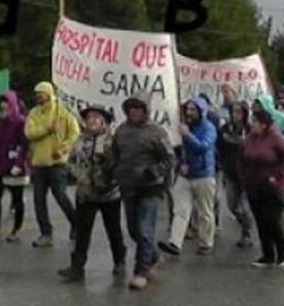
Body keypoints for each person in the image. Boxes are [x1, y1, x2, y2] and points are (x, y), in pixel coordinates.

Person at [112, 92, 173, 291]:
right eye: (132, 108)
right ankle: (153, 256)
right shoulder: (121, 131)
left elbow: (169, 159)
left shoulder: (157, 132)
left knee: (145, 230)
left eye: (139, 108)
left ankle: (141, 271)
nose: (135, 112)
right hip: (128, 187)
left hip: (150, 187)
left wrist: (155, 170)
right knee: (134, 231)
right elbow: (115, 155)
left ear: (146, 110)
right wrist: (112, 171)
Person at [60, 105, 127, 283]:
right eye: (89, 117)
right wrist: (79, 175)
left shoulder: (112, 140)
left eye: (96, 117)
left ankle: (119, 261)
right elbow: (71, 162)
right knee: (82, 232)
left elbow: (120, 164)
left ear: (104, 121)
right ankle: (77, 267)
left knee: (113, 230)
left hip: (109, 194)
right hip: (86, 194)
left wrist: (110, 170)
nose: (92, 120)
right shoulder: (80, 141)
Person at [159, 96, 217, 256]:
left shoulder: (209, 128)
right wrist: (181, 163)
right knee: (180, 209)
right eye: (188, 109)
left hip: (204, 175)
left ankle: (206, 242)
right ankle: (175, 242)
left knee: (205, 211)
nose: (189, 113)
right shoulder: (184, 126)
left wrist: (187, 135)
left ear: (201, 111)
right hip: (185, 175)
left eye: (193, 110)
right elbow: (178, 149)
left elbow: (203, 147)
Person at [25, 81, 80, 248]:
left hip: (57, 163)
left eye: (41, 93)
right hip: (39, 163)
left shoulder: (62, 111)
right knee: (38, 200)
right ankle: (46, 233)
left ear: (48, 93)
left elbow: (74, 133)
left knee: (60, 196)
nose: (38, 96)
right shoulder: (34, 113)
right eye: (36, 94)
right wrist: (48, 128)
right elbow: (29, 133)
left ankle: (76, 224)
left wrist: (63, 149)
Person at [241, 110, 284, 268]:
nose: (252, 125)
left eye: (255, 122)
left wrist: (276, 176)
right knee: (261, 221)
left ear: (264, 124)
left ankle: (282, 250)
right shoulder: (249, 139)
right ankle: (268, 255)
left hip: (274, 187)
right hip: (254, 185)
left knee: (272, 220)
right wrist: (243, 175)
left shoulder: (277, 138)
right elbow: (242, 157)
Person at [0, 91, 29, 244]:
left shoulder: (21, 122)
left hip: (15, 166)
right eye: (1, 107)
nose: (3, 110)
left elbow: (24, 145)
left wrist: (19, 164)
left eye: (6, 106)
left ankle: (16, 229)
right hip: (0, 165)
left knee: (17, 198)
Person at [217, 101, 254, 248]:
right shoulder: (225, 129)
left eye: (239, 112)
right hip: (230, 173)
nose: (235, 115)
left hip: (247, 175)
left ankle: (247, 233)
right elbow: (219, 148)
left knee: (242, 207)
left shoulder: (250, 130)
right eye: (233, 111)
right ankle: (245, 224)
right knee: (232, 205)